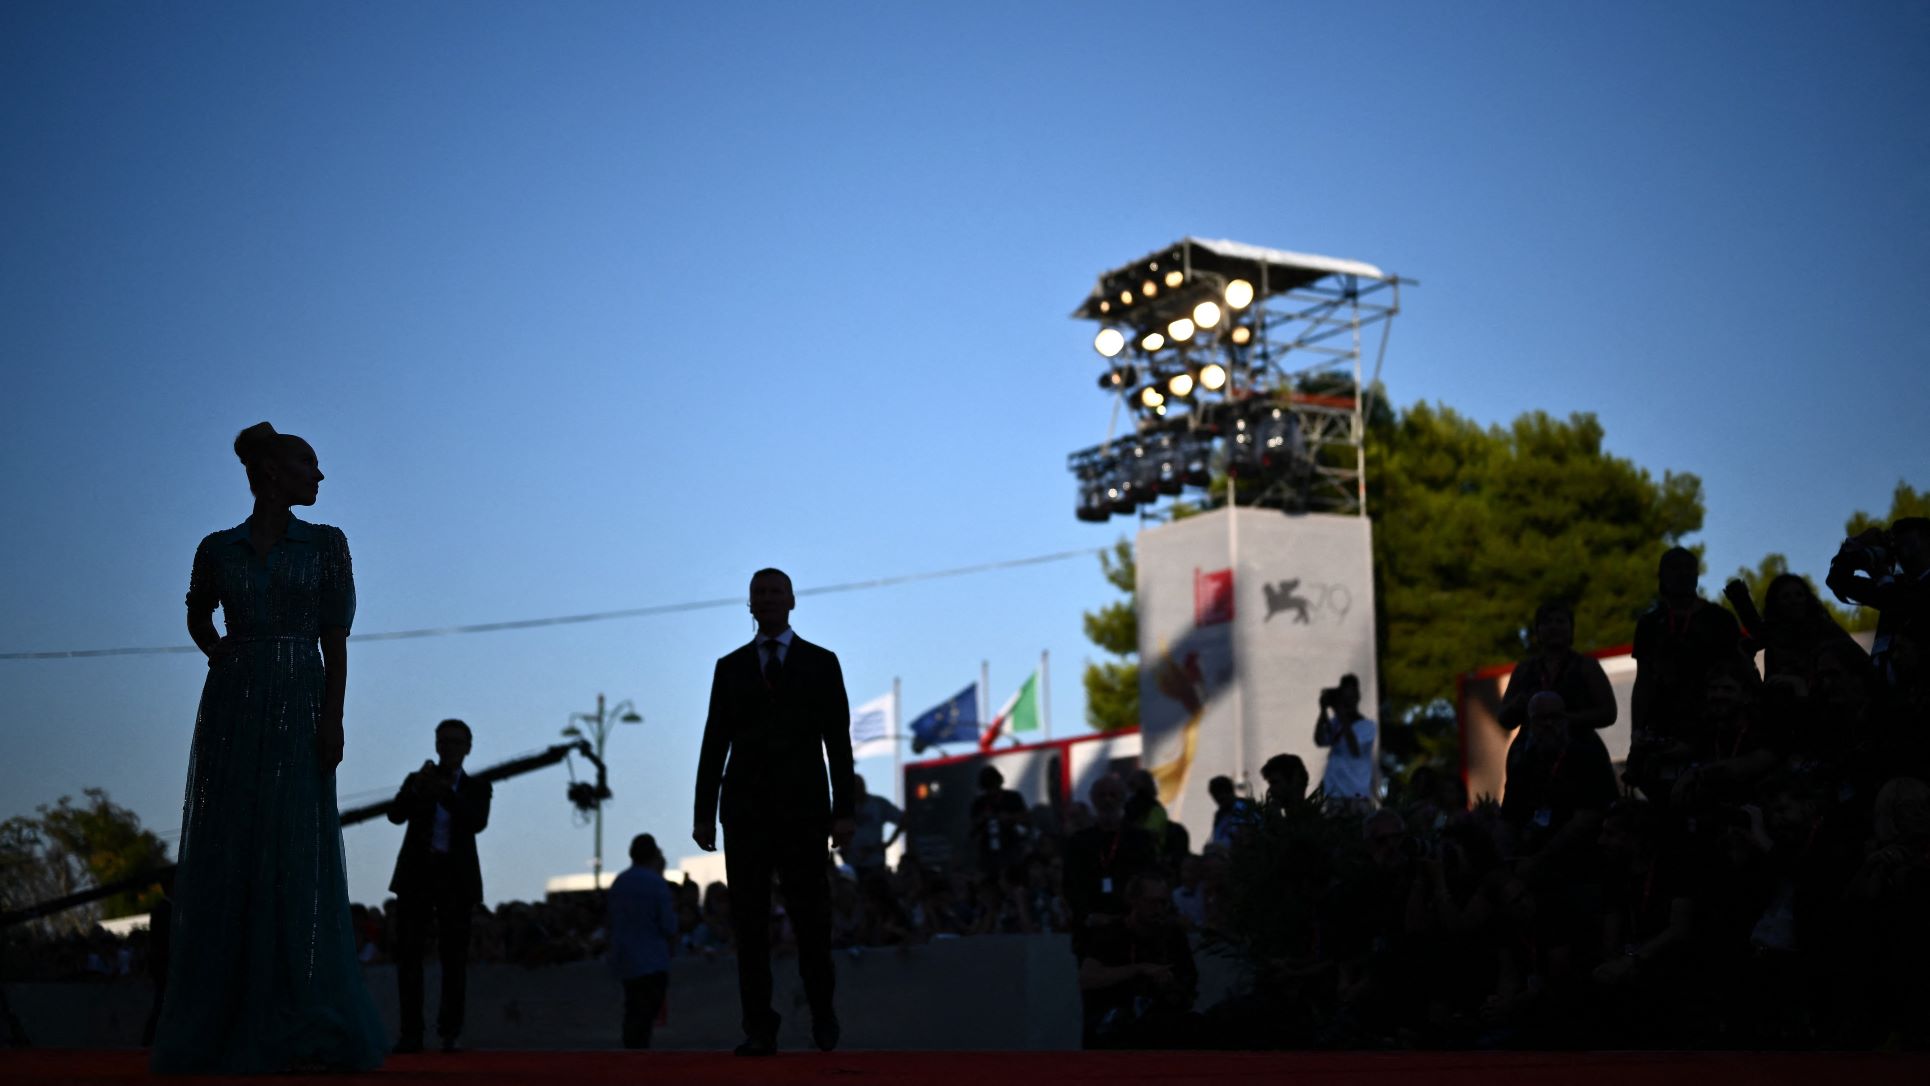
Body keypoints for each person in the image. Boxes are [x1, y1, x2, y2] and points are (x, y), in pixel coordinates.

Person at [151, 422, 386, 1073]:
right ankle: (224, 1012)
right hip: (233, 704)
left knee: (295, 845)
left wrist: (331, 718)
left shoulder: (327, 546)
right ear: (274, 474)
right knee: (231, 842)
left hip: (300, 701)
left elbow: (335, 641)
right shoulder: (218, 549)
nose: (320, 477)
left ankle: (300, 1004)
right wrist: (218, 651)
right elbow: (198, 611)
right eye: (309, 464)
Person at [692, 567, 856, 1056]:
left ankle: (822, 1015)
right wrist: (703, 812)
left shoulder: (822, 663)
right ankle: (758, 1027)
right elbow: (713, 742)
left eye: (773, 591)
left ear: (791, 600)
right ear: (749, 604)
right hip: (744, 811)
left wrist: (843, 811)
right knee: (749, 922)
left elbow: (838, 744)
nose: (765, 599)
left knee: (812, 919)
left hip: (804, 811)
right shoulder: (730, 667)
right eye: (757, 593)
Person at [387, 718, 493, 1053]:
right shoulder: (417, 780)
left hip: (455, 881)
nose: (447, 748)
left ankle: (450, 1030)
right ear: (436, 745)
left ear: (467, 748)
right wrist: (418, 787)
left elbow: (477, 822)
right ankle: (411, 1032)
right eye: (443, 741)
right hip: (417, 877)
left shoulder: (477, 786)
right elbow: (395, 815)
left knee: (454, 959)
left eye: (454, 742)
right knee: (409, 958)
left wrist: (445, 794)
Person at [1497, 602, 1618, 732]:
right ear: (1537, 631)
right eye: (1547, 622)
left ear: (1571, 630)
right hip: (1532, 749)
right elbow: (1504, 718)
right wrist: (1520, 702)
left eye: (1560, 621)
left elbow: (1608, 713)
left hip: (1579, 747)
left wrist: (1568, 720)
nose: (1553, 627)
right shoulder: (1524, 669)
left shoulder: (1587, 666)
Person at [608, 834, 677, 1049]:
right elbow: (668, 924)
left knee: (633, 1010)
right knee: (646, 1014)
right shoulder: (656, 883)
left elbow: (610, 921)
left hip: (626, 958)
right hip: (652, 959)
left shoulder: (620, 882)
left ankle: (632, 1053)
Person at [1313, 674, 1377, 809]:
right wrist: (1323, 711)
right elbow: (1320, 740)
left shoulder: (1367, 726)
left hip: (1356, 795)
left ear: (1357, 697)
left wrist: (1341, 714)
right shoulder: (1337, 723)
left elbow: (1354, 749)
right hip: (1335, 795)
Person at [841, 774, 903, 885]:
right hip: (852, 863)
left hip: (874, 861)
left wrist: (888, 843)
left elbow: (903, 820)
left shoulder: (878, 803)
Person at [1207, 774, 1259, 851]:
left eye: (1221, 797)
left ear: (1229, 792)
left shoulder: (1242, 808)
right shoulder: (1220, 814)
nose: (1218, 801)